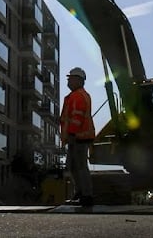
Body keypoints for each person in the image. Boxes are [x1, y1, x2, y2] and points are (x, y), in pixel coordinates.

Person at [60, 66, 95, 209]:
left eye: (70, 79)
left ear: (78, 80)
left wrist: (71, 134)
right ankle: (81, 193)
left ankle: (86, 195)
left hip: (78, 137)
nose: (68, 82)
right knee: (75, 166)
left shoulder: (77, 96)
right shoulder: (78, 95)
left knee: (79, 167)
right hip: (78, 136)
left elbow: (76, 117)